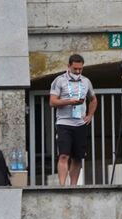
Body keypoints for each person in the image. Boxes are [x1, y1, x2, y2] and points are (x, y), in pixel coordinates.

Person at [49, 54, 97, 186]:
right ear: (69, 66)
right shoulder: (59, 80)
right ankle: (62, 185)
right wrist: (69, 101)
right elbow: (52, 102)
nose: (77, 72)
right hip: (64, 123)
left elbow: (93, 99)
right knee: (64, 155)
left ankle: (74, 185)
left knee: (78, 157)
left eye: (80, 69)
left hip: (80, 124)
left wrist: (90, 115)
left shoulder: (86, 81)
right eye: (75, 69)